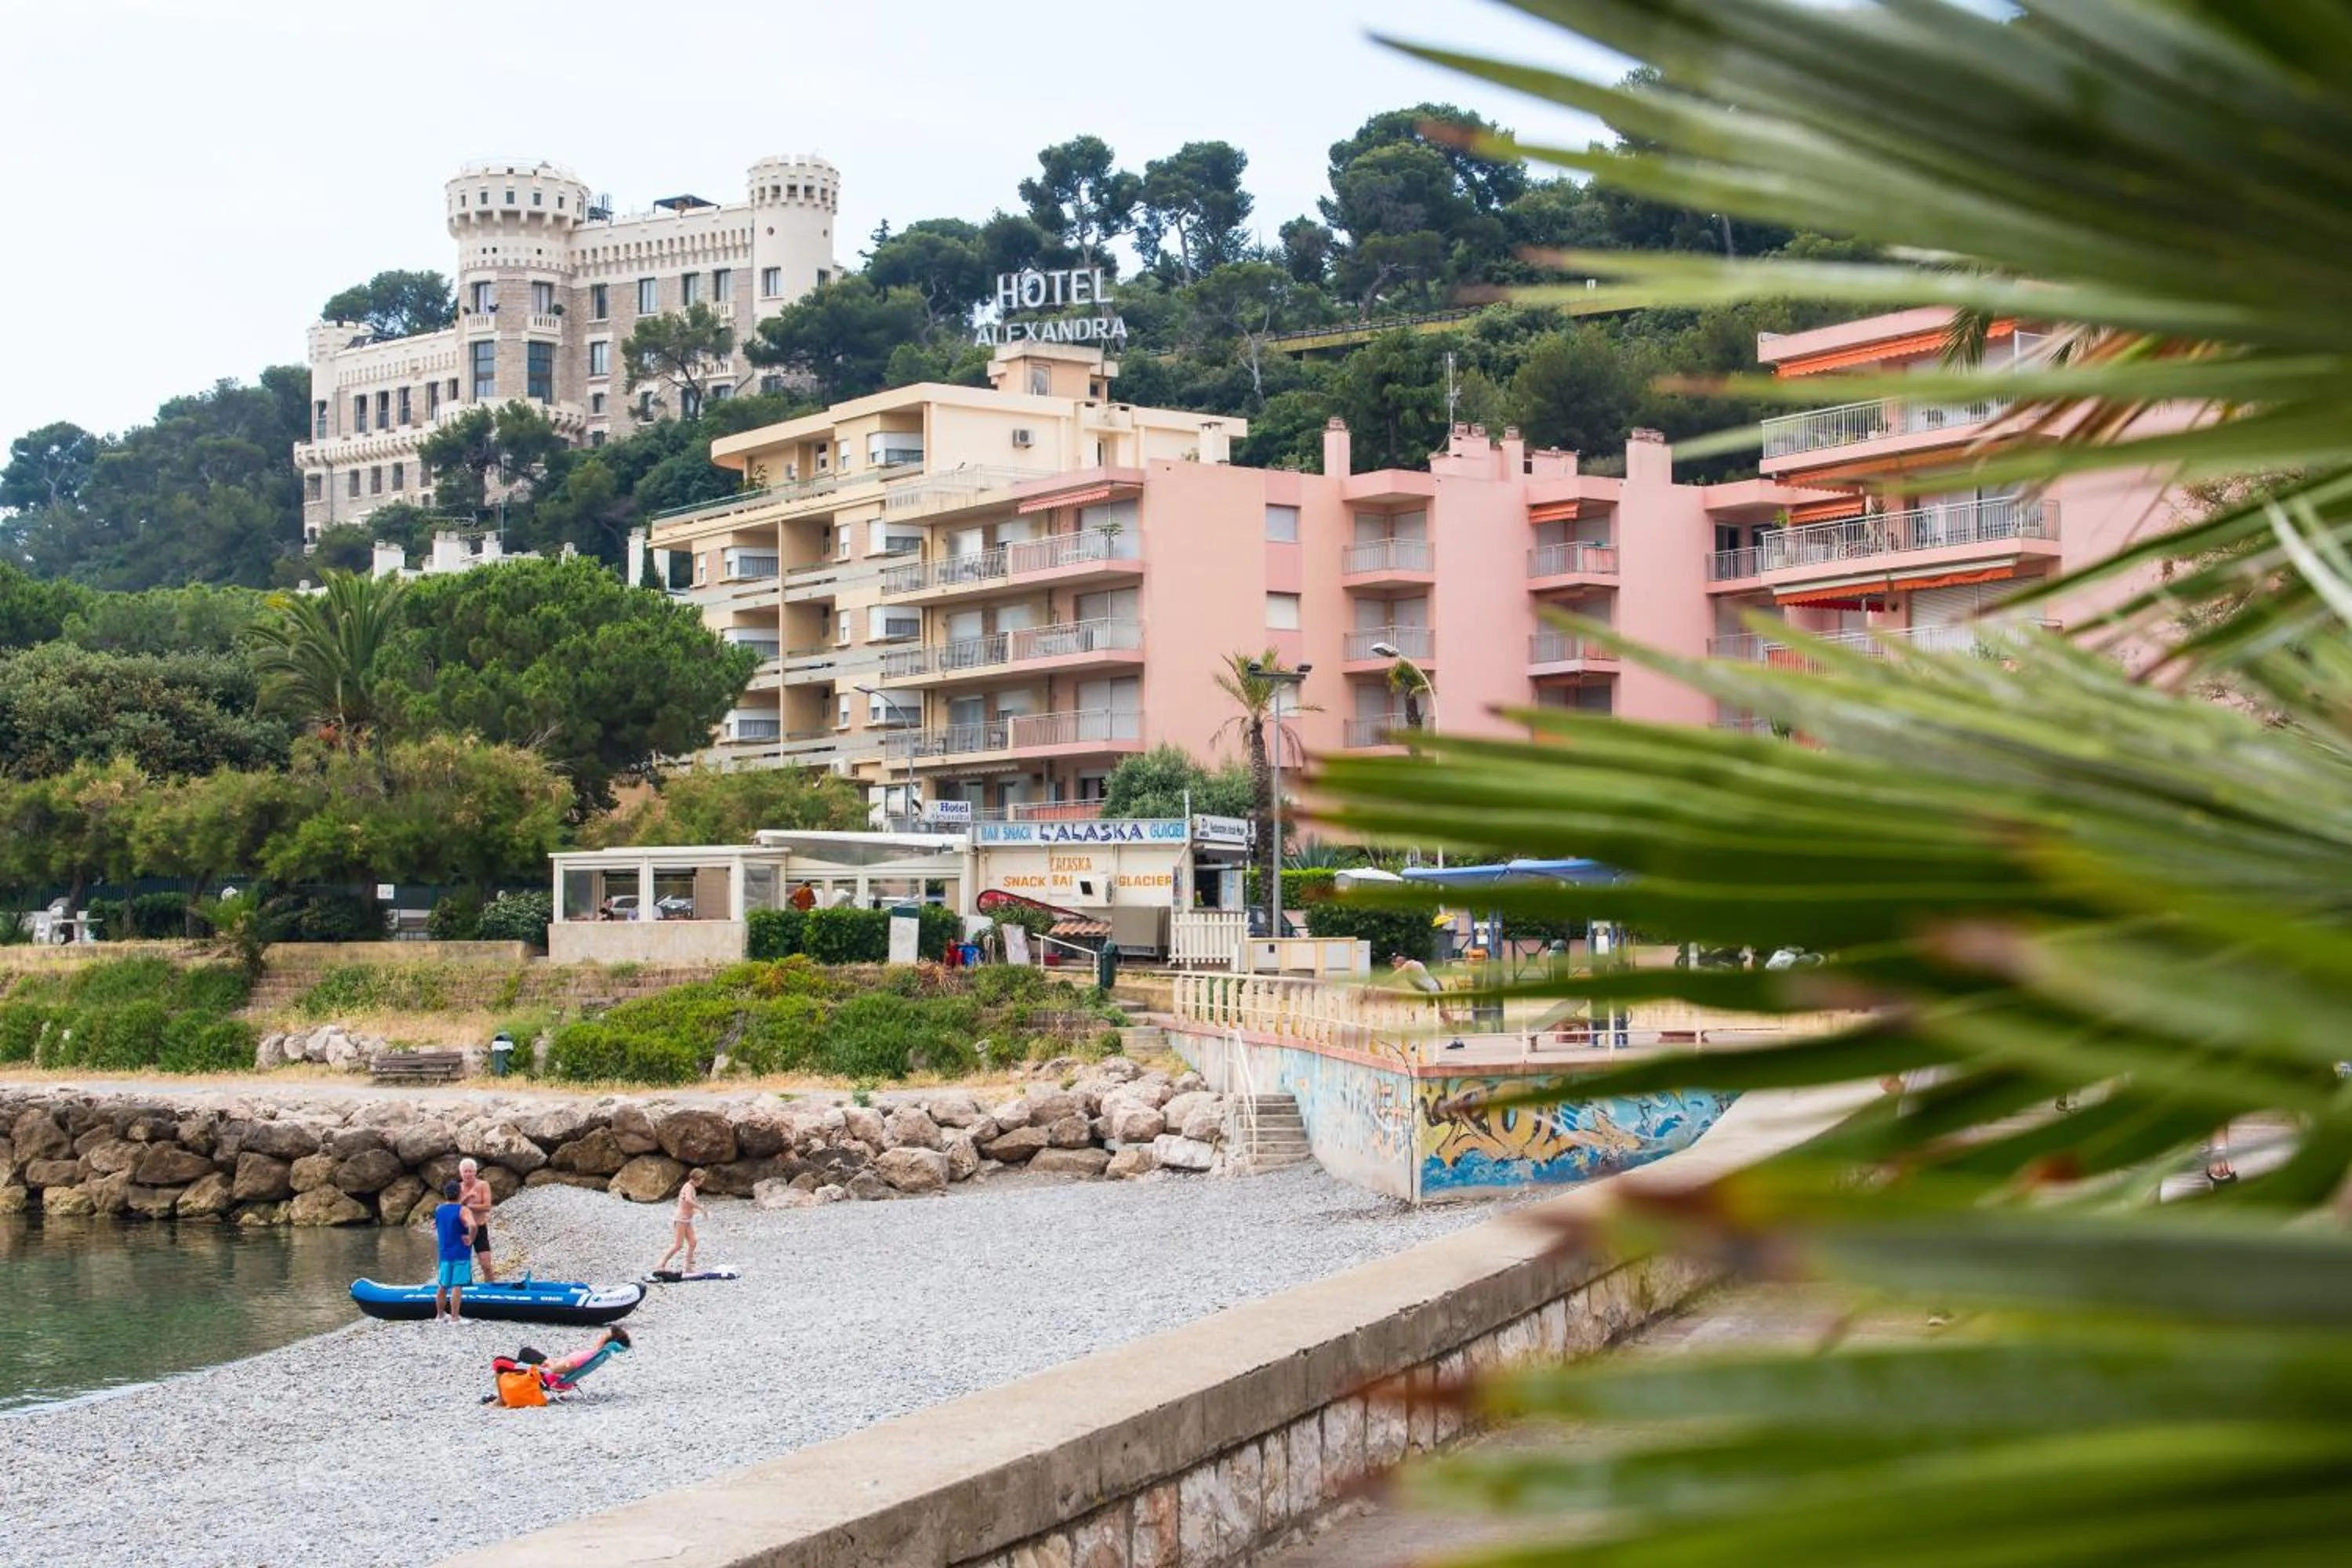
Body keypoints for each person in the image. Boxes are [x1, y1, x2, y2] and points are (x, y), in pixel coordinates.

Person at [433, 1180, 476, 1323]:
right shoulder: (463, 1210)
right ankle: (455, 1318)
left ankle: (439, 1316)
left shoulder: (439, 1210)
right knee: (457, 1284)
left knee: (443, 1284)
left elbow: (436, 1225)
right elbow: (473, 1225)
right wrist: (471, 1238)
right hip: (460, 1252)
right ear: (460, 1193)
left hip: (445, 1253)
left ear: (445, 1194)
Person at [655, 1169, 706, 1275]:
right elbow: (688, 1200)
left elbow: (686, 1205)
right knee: (678, 1245)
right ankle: (661, 1264)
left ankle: (688, 1267)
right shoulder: (688, 1187)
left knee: (693, 1242)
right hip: (681, 1220)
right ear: (696, 1179)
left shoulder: (691, 1187)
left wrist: (698, 1212)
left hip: (687, 1219)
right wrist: (700, 1208)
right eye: (701, 1180)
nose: (702, 1182)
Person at [458, 1157, 497, 1283]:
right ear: (461, 1173)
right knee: (464, 1266)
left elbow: (487, 1207)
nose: (468, 1174)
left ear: (475, 1172)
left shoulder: (482, 1185)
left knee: (486, 1265)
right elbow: (454, 1208)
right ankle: (464, 1290)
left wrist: (469, 1206)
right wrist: (466, 1199)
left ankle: (491, 1290)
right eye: (465, 1171)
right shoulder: (458, 1188)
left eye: (470, 1171)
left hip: (480, 1228)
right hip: (463, 1230)